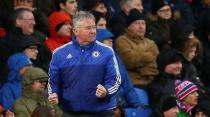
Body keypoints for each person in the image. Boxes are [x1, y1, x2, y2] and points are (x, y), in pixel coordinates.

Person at [48, 11, 121, 117]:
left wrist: (106, 91)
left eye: (93, 27)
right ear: (75, 31)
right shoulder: (59, 53)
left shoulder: (107, 51)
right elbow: (53, 81)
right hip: (70, 112)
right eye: (88, 28)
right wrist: (54, 94)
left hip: (101, 112)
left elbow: (115, 79)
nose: (92, 31)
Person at [115, 9, 159, 87]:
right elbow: (130, 61)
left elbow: (157, 63)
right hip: (134, 82)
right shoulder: (122, 40)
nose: (141, 27)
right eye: (137, 23)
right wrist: (148, 56)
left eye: (143, 23)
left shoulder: (150, 42)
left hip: (152, 80)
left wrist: (139, 60)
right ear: (129, 26)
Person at [148, 48, 183, 117]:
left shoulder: (183, 80)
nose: (179, 66)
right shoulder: (157, 86)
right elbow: (159, 111)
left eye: (180, 62)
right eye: (175, 63)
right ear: (164, 65)